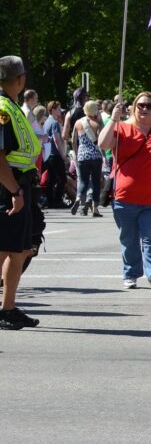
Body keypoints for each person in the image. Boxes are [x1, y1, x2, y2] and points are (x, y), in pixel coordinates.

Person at [97, 92, 151, 292]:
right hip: (125, 198)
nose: (145, 109)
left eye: (149, 106)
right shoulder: (122, 128)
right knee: (129, 239)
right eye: (141, 105)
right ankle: (131, 273)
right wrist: (113, 118)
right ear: (133, 108)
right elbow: (102, 144)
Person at [0, 56, 43, 330]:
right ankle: (6, 308)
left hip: (19, 183)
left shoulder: (11, 106)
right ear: (21, 79)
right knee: (8, 249)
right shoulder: (3, 108)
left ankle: (9, 307)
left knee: (17, 250)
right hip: (9, 184)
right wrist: (14, 190)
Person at [73, 100, 105, 218]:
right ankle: (95, 209)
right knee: (96, 182)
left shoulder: (78, 122)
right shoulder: (97, 123)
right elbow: (101, 141)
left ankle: (78, 199)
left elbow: (73, 140)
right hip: (96, 156)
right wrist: (104, 156)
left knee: (83, 181)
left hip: (82, 155)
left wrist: (77, 153)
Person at [42, 101, 68, 209]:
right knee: (62, 179)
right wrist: (63, 156)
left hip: (49, 155)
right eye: (58, 109)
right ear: (52, 110)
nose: (60, 112)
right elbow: (57, 140)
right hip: (56, 155)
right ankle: (57, 201)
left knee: (51, 179)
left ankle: (50, 201)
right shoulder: (54, 123)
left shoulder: (47, 122)